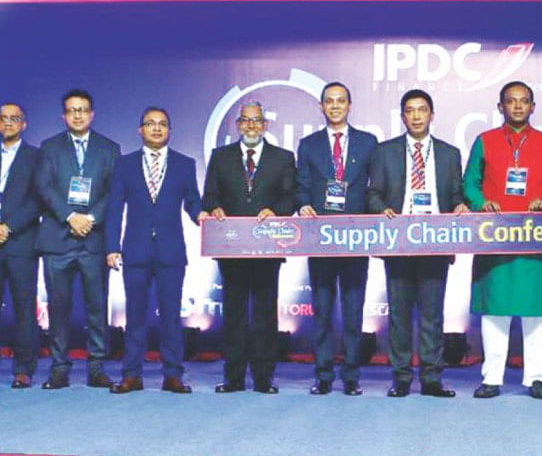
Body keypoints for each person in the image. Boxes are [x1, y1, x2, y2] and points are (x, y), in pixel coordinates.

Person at [464, 81, 542, 400]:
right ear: (500, 106)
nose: (518, 106)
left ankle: (537, 378)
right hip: (494, 236)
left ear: (533, 106)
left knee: (535, 312)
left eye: (524, 101)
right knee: (494, 310)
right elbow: (469, 183)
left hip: (535, 237)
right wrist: (481, 202)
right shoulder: (484, 141)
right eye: (511, 101)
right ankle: (491, 378)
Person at [366, 89, 469, 398]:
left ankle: (431, 378)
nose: (416, 116)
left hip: (435, 241)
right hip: (398, 240)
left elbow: (456, 194)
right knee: (399, 315)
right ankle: (400, 378)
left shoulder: (450, 154)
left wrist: (460, 205)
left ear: (431, 115)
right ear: (402, 116)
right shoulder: (384, 151)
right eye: (410, 110)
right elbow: (373, 193)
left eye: (422, 110)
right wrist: (381, 209)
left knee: (432, 315)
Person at [105, 107, 207, 394]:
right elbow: (114, 208)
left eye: (162, 124)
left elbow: (192, 201)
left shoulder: (184, 164)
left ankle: (173, 375)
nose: (157, 128)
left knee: (171, 317)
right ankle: (131, 375)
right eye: (151, 124)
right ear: (140, 130)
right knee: (134, 316)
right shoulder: (124, 164)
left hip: (171, 252)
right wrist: (112, 247)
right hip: (135, 250)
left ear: (170, 130)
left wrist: (201, 215)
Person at [203, 101, 296, 394]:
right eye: (246, 120)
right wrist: (215, 208)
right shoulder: (221, 157)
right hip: (231, 247)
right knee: (234, 313)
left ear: (265, 125)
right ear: (238, 125)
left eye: (257, 121)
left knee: (265, 314)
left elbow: (290, 198)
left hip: (268, 247)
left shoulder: (283, 158)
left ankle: (264, 378)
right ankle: (233, 377)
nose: (251, 126)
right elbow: (209, 196)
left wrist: (275, 211)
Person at [35, 89, 120, 390]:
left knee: (97, 307)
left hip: (93, 241)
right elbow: (43, 187)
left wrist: (90, 218)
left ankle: (97, 368)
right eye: (72, 110)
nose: (78, 115)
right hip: (58, 239)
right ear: (64, 116)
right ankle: (59, 368)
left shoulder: (109, 148)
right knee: (58, 308)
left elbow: (113, 191)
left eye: (83, 109)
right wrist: (70, 216)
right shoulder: (49, 147)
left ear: (92, 114)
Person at [297, 81, 377, 396]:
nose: (334, 106)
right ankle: (324, 375)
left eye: (340, 100)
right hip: (321, 236)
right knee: (323, 311)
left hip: (356, 236)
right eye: (329, 101)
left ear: (349, 105)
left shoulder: (368, 142)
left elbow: (375, 186)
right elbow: (302, 185)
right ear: (321, 106)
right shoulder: (309, 144)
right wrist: (302, 204)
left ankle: (352, 376)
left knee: (354, 312)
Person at [0, 103, 41, 389]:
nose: (8, 123)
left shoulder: (35, 157)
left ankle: (24, 369)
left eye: (14, 118)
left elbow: (39, 199)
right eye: (3, 118)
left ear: (24, 124)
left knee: (24, 308)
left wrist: (7, 226)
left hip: (21, 242)